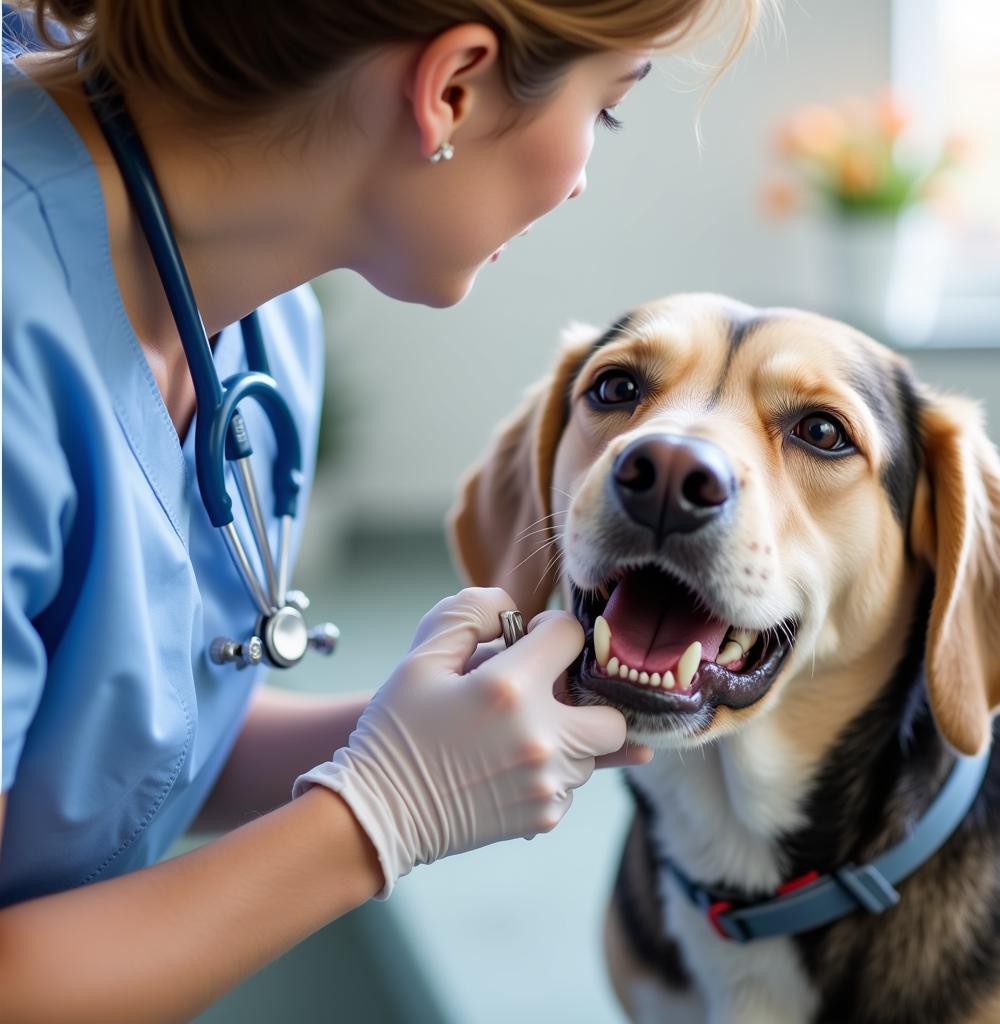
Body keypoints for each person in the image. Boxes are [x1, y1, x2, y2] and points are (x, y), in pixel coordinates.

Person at [1, 1, 760, 1019]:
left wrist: (422, 739)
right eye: (606, 109)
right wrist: (383, 812)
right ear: (453, 86)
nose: (581, 176)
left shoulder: (265, 327)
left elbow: (100, 756)